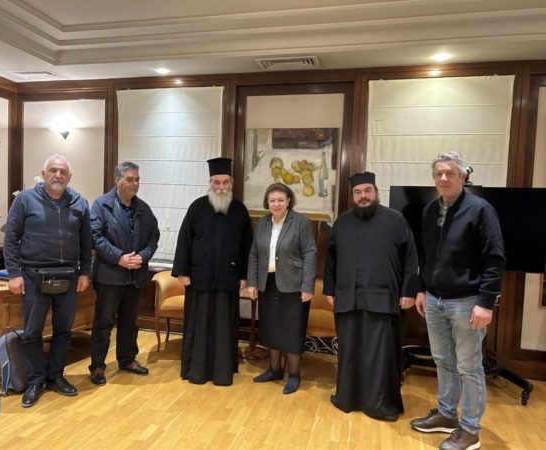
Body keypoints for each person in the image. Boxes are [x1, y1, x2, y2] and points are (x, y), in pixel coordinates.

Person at [411, 152, 505, 450]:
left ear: (462, 176)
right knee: (442, 361)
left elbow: (495, 259)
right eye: (438, 173)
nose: (443, 178)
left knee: (469, 367)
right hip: (434, 299)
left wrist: (486, 302)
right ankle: (447, 415)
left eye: (450, 173)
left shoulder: (480, 210)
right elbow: (424, 255)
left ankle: (470, 429)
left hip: (467, 302)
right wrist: (420, 289)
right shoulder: (429, 210)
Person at [323, 171, 418, 420]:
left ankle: (378, 404)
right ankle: (348, 398)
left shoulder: (395, 220)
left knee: (379, 356)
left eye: (367, 191)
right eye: (358, 192)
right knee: (349, 353)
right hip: (348, 298)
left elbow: (411, 258)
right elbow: (330, 259)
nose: (363, 196)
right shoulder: (342, 222)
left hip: (383, 299)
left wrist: (408, 291)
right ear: (352, 195)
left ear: (376, 192)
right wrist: (329, 289)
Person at [4, 154, 91, 408]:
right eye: (53, 170)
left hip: (69, 277)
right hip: (32, 277)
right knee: (32, 332)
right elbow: (11, 239)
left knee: (64, 331)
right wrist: (14, 274)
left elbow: (86, 243)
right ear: (43, 174)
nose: (58, 175)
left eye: (62, 171)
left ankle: (55, 376)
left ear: (69, 177)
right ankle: (35, 380)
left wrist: (85, 272)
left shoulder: (80, 203)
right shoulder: (24, 200)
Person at [172, 157, 253, 386]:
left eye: (225, 182)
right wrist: (182, 272)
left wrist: (245, 276)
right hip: (199, 278)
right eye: (216, 183)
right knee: (198, 325)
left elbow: (247, 246)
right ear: (210, 183)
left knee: (224, 327)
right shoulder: (197, 207)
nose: (221, 187)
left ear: (231, 183)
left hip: (229, 278)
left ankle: (222, 372)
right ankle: (196, 371)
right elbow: (184, 240)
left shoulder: (239, 210)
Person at [88, 161, 160, 385]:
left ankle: (127, 359)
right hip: (109, 276)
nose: (134, 184)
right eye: (129, 179)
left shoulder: (144, 209)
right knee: (103, 324)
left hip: (135, 277)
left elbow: (154, 237)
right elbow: (95, 237)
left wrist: (143, 256)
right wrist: (119, 257)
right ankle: (97, 366)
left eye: (137, 179)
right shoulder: (101, 205)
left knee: (130, 322)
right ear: (117, 180)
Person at [247, 183, 317, 394]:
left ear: (288, 201)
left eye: (280, 200)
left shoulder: (300, 222)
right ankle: (274, 369)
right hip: (267, 284)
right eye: (272, 200)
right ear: (267, 203)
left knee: (292, 331)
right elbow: (254, 254)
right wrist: (252, 282)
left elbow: (310, 253)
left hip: (294, 287)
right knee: (271, 329)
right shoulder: (262, 223)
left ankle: (294, 374)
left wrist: (307, 286)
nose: (276, 204)